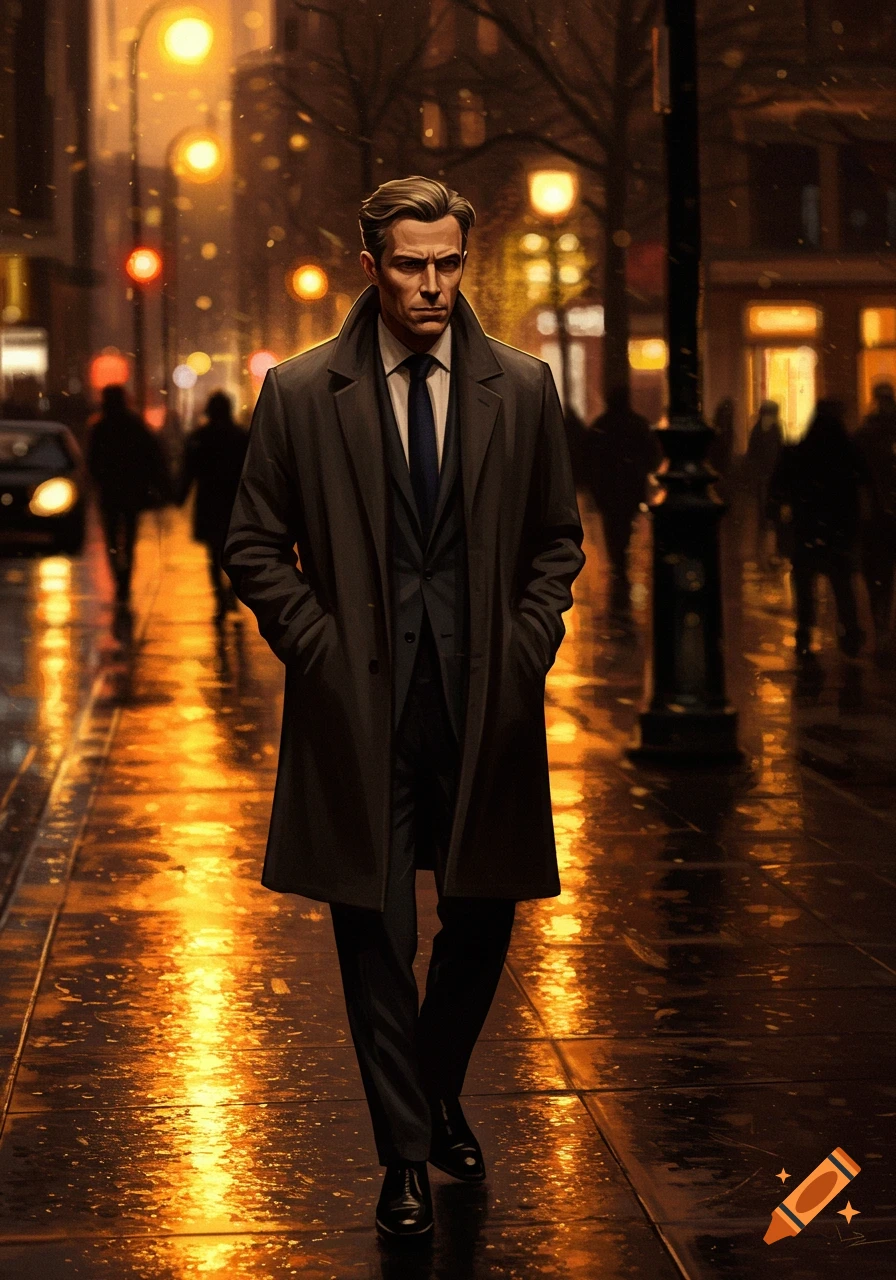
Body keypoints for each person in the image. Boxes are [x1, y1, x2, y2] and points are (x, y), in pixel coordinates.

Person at [223, 176, 584, 1243]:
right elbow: (252, 541)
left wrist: (523, 650)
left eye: (448, 263)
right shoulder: (299, 392)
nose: (432, 284)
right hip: (358, 705)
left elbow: (555, 540)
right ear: (371, 263)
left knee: (483, 910)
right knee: (370, 926)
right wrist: (320, 648)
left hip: (484, 700)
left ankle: (427, 1093)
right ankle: (404, 1155)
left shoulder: (520, 387)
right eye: (412, 264)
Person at [768, 399, 866, 659]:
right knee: (842, 584)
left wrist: (781, 519)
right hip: (837, 529)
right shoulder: (846, 450)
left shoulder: (801, 450)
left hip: (807, 528)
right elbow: (864, 483)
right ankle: (850, 633)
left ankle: (805, 632)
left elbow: (778, 488)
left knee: (806, 584)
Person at [86, 384, 170, 603]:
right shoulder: (134, 425)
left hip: (110, 490)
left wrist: (99, 479)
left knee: (112, 537)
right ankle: (125, 578)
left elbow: (92, 461)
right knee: (130, 536)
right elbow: (153, 456)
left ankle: (119, 577)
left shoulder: (101, 427)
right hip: (131, 489)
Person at [584, 385, 659, 612]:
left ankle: (618, 560)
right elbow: (651, 455)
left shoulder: (602, 425)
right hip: (630, 485)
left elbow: (590, 458)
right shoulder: (637, 424)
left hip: (609, 487)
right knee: (625, 522)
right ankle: (621, 557)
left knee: (612, 524)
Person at [179, 391, 248, 623]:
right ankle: (231, 596)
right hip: (234, 502)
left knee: (214, 553)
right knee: (235, 553)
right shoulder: (241, 436)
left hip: (210, 501)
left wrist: (179, 495)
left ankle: (220, 600)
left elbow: (189, 470)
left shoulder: (201, 437)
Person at [855, 382, 896, 654]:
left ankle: (882, 620)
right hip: (879, 514)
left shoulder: (866, 432)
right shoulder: (870, 433)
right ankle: (882, 622)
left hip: (876, 515)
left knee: (879, 571)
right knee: (881, 570)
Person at [744, 400, 784, 567]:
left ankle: (768, 552)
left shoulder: (765, 430)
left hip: (769, 478)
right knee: (767, 515)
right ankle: (768, 553)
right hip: (766, 478)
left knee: (768, 515)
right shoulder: (770, 430)